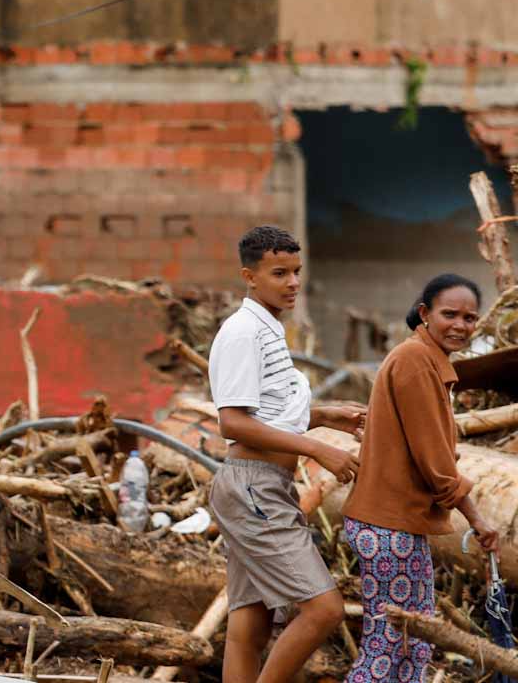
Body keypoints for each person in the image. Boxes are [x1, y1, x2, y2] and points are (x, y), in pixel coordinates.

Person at [209, 225, 368, 683]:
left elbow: (270, 414)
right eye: (280, 273)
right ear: (249, 276)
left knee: (250, 624)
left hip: (261, 486)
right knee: (324, 609)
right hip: (253, 488)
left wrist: (322, 415)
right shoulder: (243, 332)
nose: (293, 282)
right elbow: (233, 422)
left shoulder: (269, 327)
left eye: (297, 272)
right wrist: (319, 447)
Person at [340, 274, 501, 683]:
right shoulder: (414, 361)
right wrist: (479, 519)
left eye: (470, 317)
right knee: (389, 643)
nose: (461, 326)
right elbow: (437, 466)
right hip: (386, 525)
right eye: (450, 314)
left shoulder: (426, 360)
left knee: (415, 641)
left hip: (398, 525)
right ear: (425, 313)